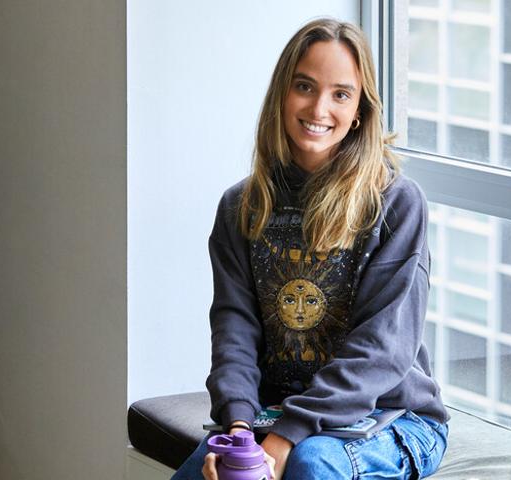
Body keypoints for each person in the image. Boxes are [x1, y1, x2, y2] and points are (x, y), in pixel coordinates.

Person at [172, 17, 449, 480]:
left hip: (394, 416)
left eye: (341, 93)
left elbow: (381, 351)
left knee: (310, 463)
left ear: (360, 109)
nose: (320, 107)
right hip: (276, 411)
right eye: (305, 86)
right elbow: (234, 329)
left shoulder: (396, 204)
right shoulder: (242, 206)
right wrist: (240, 429)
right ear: (282, 94)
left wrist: (284, 438)